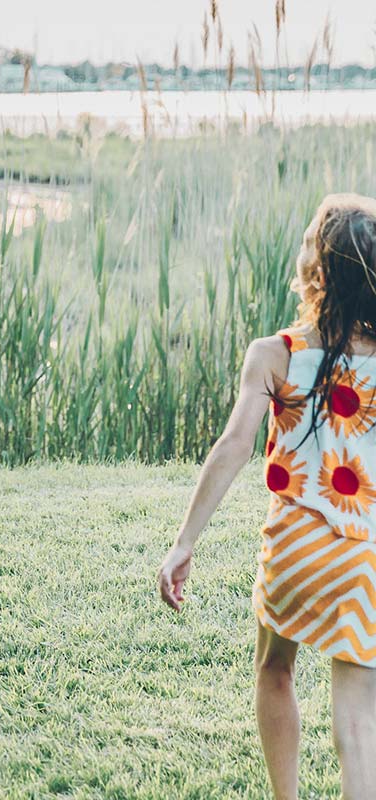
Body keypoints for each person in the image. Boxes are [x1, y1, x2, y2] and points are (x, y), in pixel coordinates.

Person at [157, 194, 376, 798]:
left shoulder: (274, 353)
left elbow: (234, 445)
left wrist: (184, 543)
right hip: (366, 557)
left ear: (317, 270)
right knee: (357, 718)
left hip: (294, 550)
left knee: (275, 670)